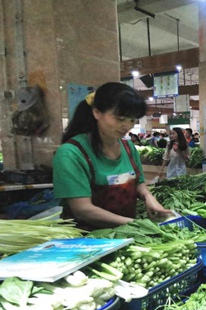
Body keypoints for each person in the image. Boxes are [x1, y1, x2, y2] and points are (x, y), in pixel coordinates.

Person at [53, 82, 171, 230]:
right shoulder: (71, 153)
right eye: (120, 119)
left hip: (125, 234)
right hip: (84, 240)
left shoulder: (128, 148)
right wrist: (136, 225)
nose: (126, 126)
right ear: (97, 113)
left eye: (132, 120)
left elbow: (138, 183)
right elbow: (82, 209)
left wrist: (149, 197)